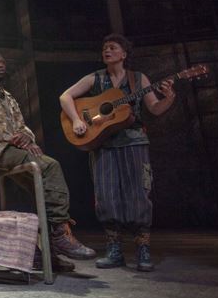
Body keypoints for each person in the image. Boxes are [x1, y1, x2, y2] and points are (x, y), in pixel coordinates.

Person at [0, 50, 96, 272]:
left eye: (2, 62)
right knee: (50, 166)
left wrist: (27, 138)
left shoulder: (8, 97)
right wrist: (13, 139)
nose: (1, 65)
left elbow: (22, 127)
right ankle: (60, 233)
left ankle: (47, 254)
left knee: (42, 189)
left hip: (14, 152)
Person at [59, 34, 175, 271]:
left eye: (112, 47)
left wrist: (169, 98)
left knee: (138, 195)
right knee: (106, 195)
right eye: (104, 48)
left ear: (124, 54)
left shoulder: (138, 79)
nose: (107, 51)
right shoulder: (96, 78)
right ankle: (114, 250)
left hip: (134, 142)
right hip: (103, 144)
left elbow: (154, 108)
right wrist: (76, 120)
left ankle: (143, 249)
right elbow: (65, 96)